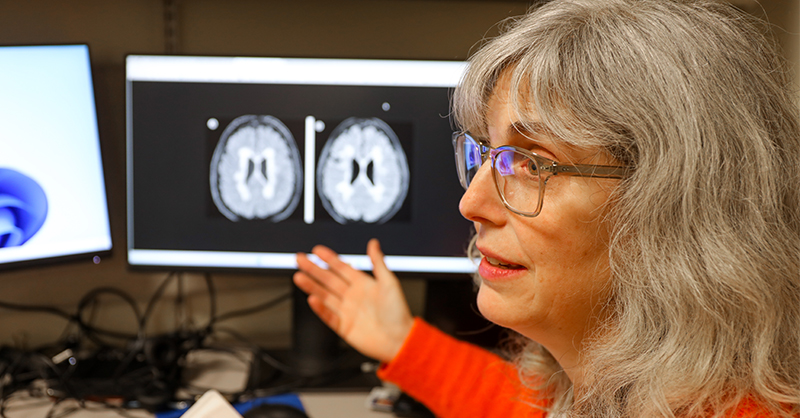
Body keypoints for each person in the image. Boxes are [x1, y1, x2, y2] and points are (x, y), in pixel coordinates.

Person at [293, 0, 800, 416]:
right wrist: (404, 342)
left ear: (674, 200)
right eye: (487, 154)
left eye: (532, 163)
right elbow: (517, 406)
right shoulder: (602, 392)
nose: (471, 204)